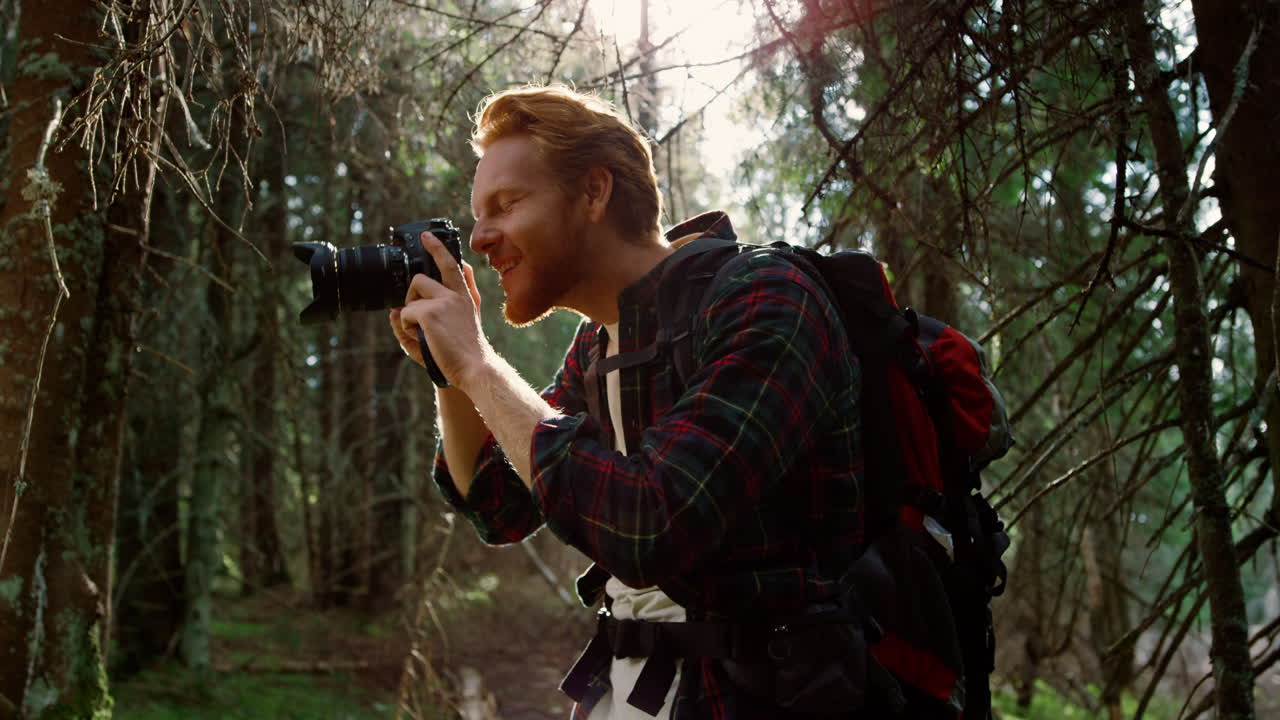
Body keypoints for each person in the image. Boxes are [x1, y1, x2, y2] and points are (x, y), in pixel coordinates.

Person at [388, 84, 863, 719]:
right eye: (478, 214)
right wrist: (450, 374)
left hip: (764, 696)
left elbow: (651, 525)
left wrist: (478, 362)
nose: (479, 239)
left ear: (593, 192)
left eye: (505, 204)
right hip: (634, 691)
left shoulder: (767, 297)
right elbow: (498, 506)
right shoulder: (599, 344)